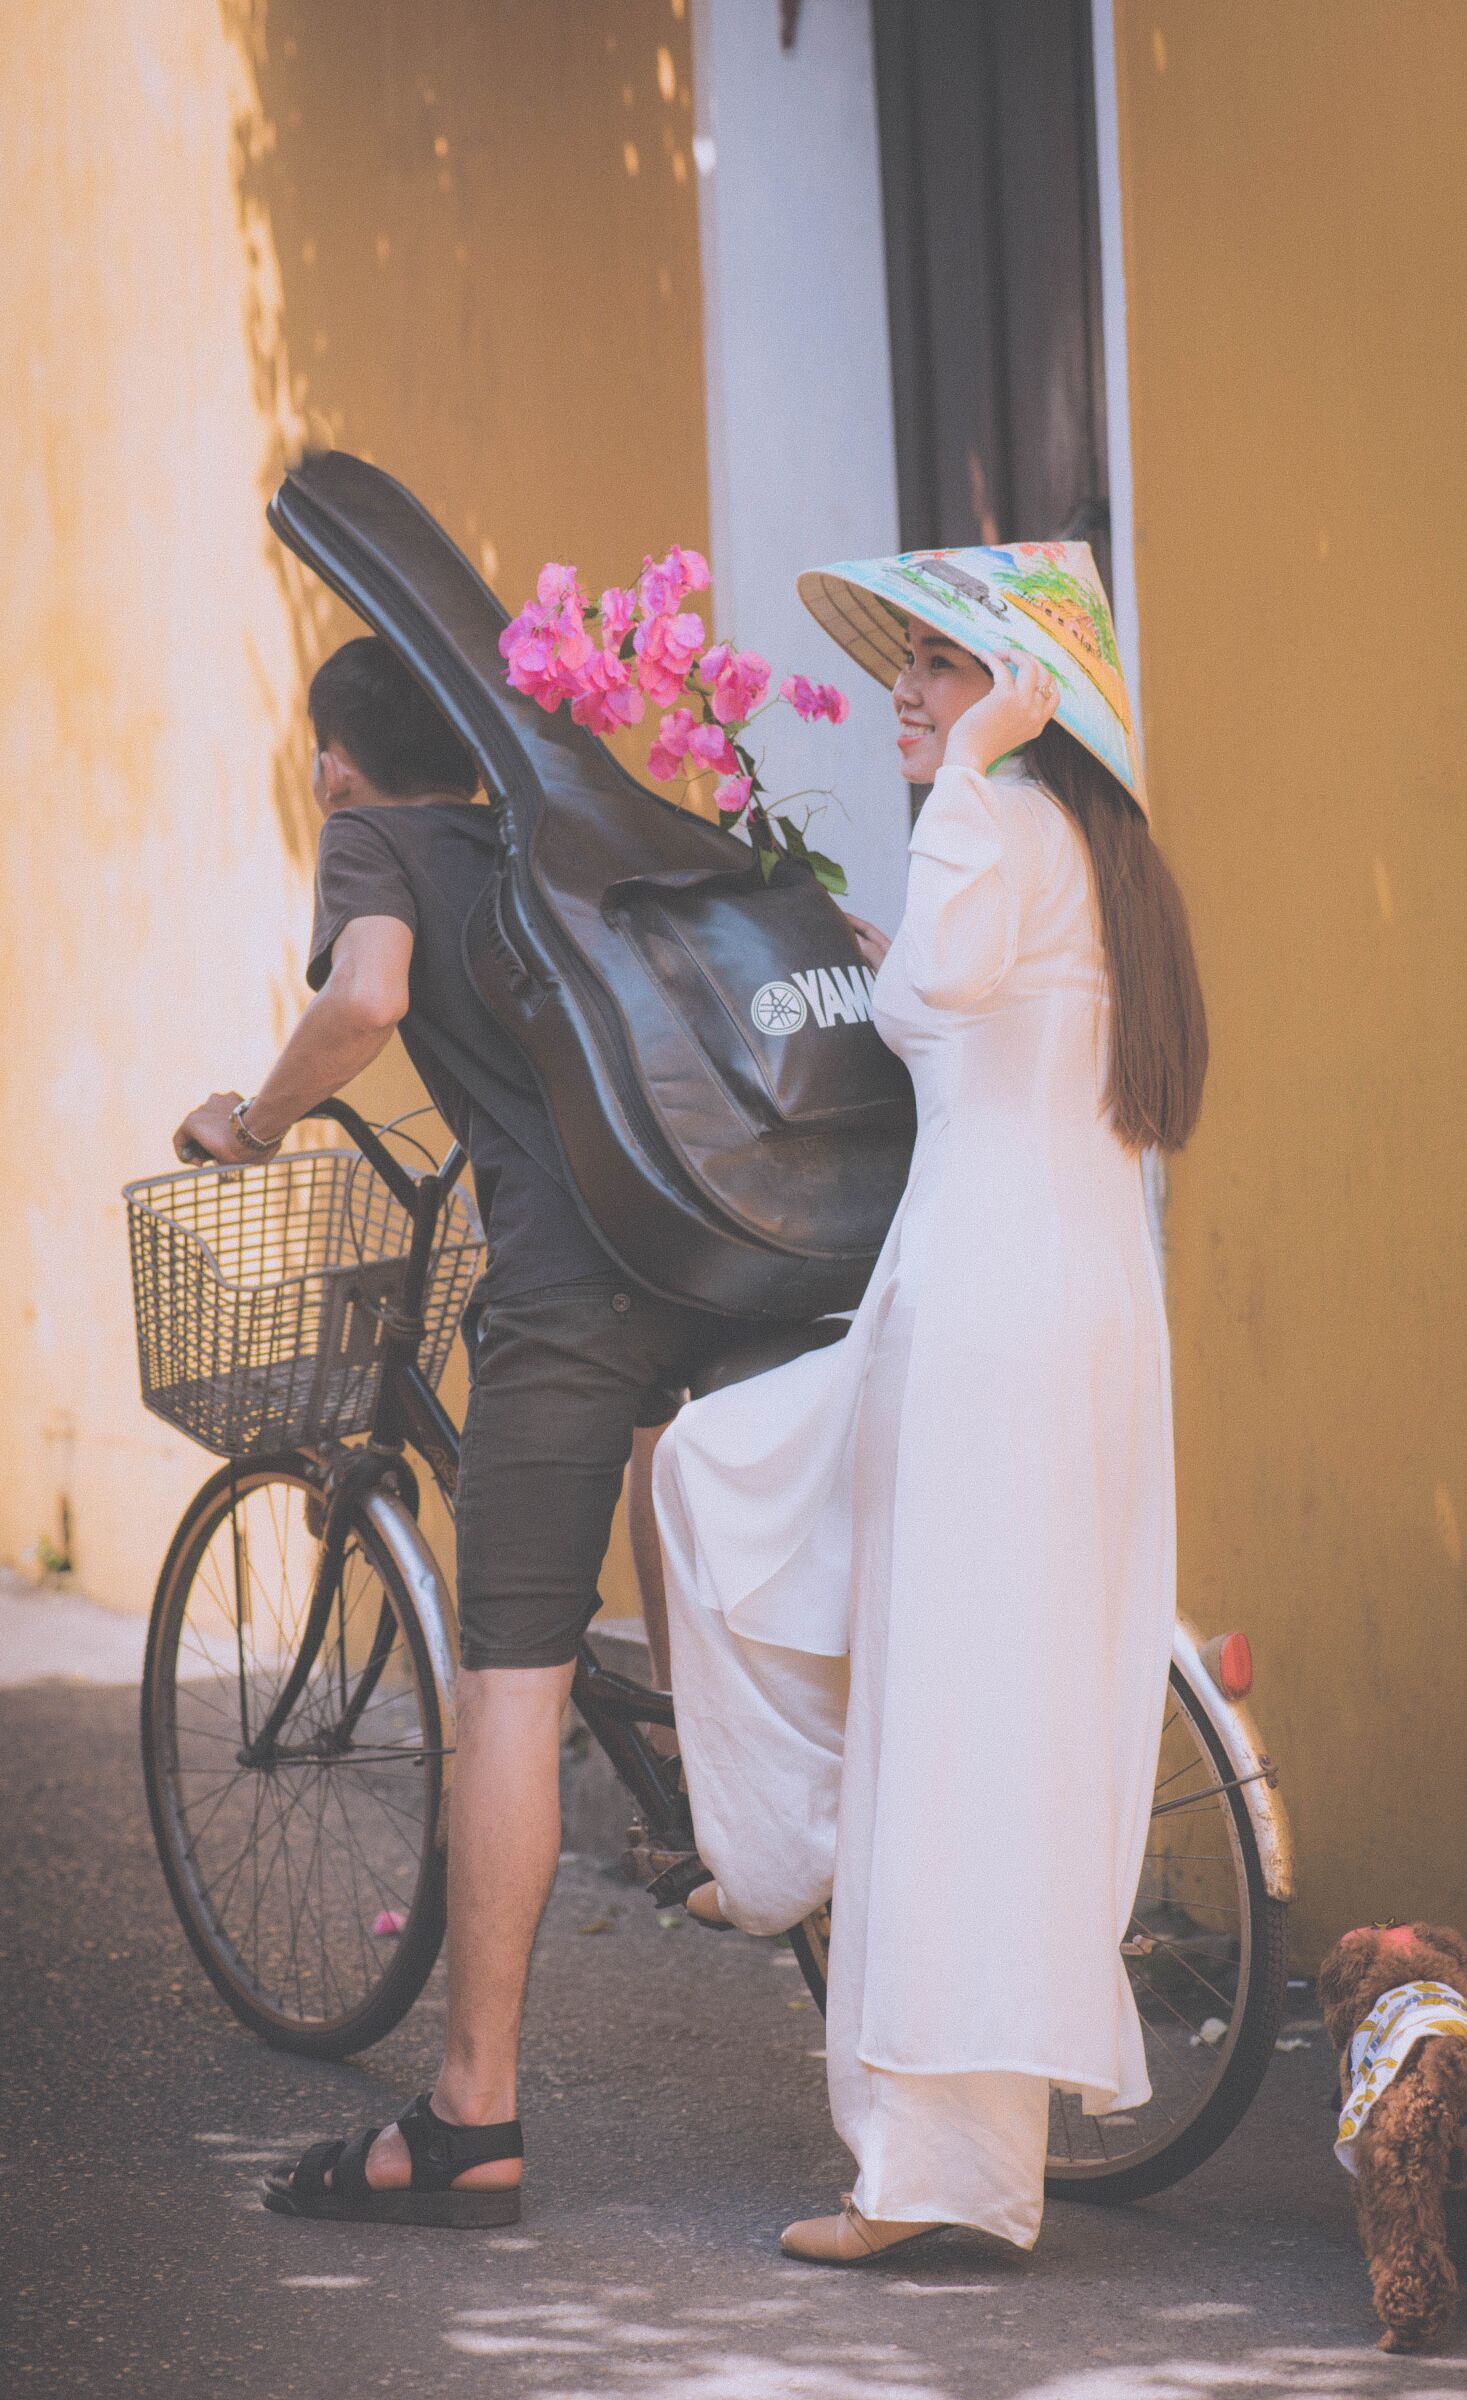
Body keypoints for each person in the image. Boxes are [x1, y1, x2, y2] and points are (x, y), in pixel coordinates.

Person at [651, 549, 1207, 2264]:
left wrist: (965, 783)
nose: (908, 689)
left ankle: (923, 2170)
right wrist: (953, 843)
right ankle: (803, 1837)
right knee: (930, 1657)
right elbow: (970, 1006)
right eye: (903, 662)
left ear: (1030, 694)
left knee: (940, 1707)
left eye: (944, 663)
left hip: (984, 1309)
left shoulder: (1002, 809)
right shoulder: (1091, 852)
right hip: (1070, 1304)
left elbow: (914, 1000)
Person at [174, 637, 760, 2227]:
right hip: (713, 1250)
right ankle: (723, 1799)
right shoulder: (541, 826)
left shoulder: (379, 836)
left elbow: (368, 993)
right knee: (710, 1532)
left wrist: (262, 1115)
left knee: (512, 1681)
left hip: (571, 1283)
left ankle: (470, 2118)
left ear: (333, 761)